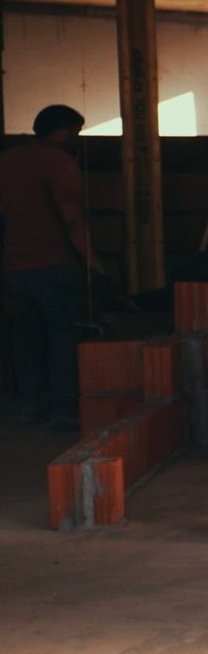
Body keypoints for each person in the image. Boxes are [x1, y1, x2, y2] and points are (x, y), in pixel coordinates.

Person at [1, 104, 91, 432]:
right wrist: (93, 259)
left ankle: (31, 406)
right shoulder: (59, 163)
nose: (76, 139)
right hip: (54, 263)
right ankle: (64, 410)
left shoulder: (8, 160)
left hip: (15, 264)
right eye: (75, 132)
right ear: (63, 131)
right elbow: (71, 217)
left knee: (26, 338)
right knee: (62, 338)